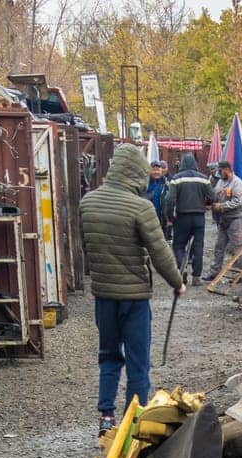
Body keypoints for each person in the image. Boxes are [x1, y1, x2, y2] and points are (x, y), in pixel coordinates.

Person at [81, 143, 185, 435]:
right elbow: (159, 251)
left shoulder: (88, 202)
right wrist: (177, 283)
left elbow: (85, 246)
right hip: (135, 299)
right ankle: (134, 420)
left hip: (104, 295)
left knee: (109, 356)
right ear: (137, 174)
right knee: (138, 361)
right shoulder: (141, 206)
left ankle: (106, 417)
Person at [164, 151, 213, 284]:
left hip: (182, 217)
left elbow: (169, 200)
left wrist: (170, 216)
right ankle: (196, 277)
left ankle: (182, 269)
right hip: (199, 217)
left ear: (182, 164)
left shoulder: (176, 178)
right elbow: (213, 197)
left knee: (178, 245)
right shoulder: (203, 178)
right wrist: (205, 204)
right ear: (195, 164)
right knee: (198, 247)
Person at [208, 159, 242, 281]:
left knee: (237, 248)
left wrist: (222, 206)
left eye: (220, 171)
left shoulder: (237, 183)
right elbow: (216, 195)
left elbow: (237, 201)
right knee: (219, 247)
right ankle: (215, 271)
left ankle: (239, 274)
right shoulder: (220, 182)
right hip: (223, 219)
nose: (219, 173)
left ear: (227, 170)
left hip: (235, 219)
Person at [145, 159, 171, 242]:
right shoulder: (145, 183)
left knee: (161, 240)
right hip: (148, 217)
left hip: (162, 217)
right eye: (154, 169)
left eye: (158, 170)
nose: (156, 172)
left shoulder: (166, 183)